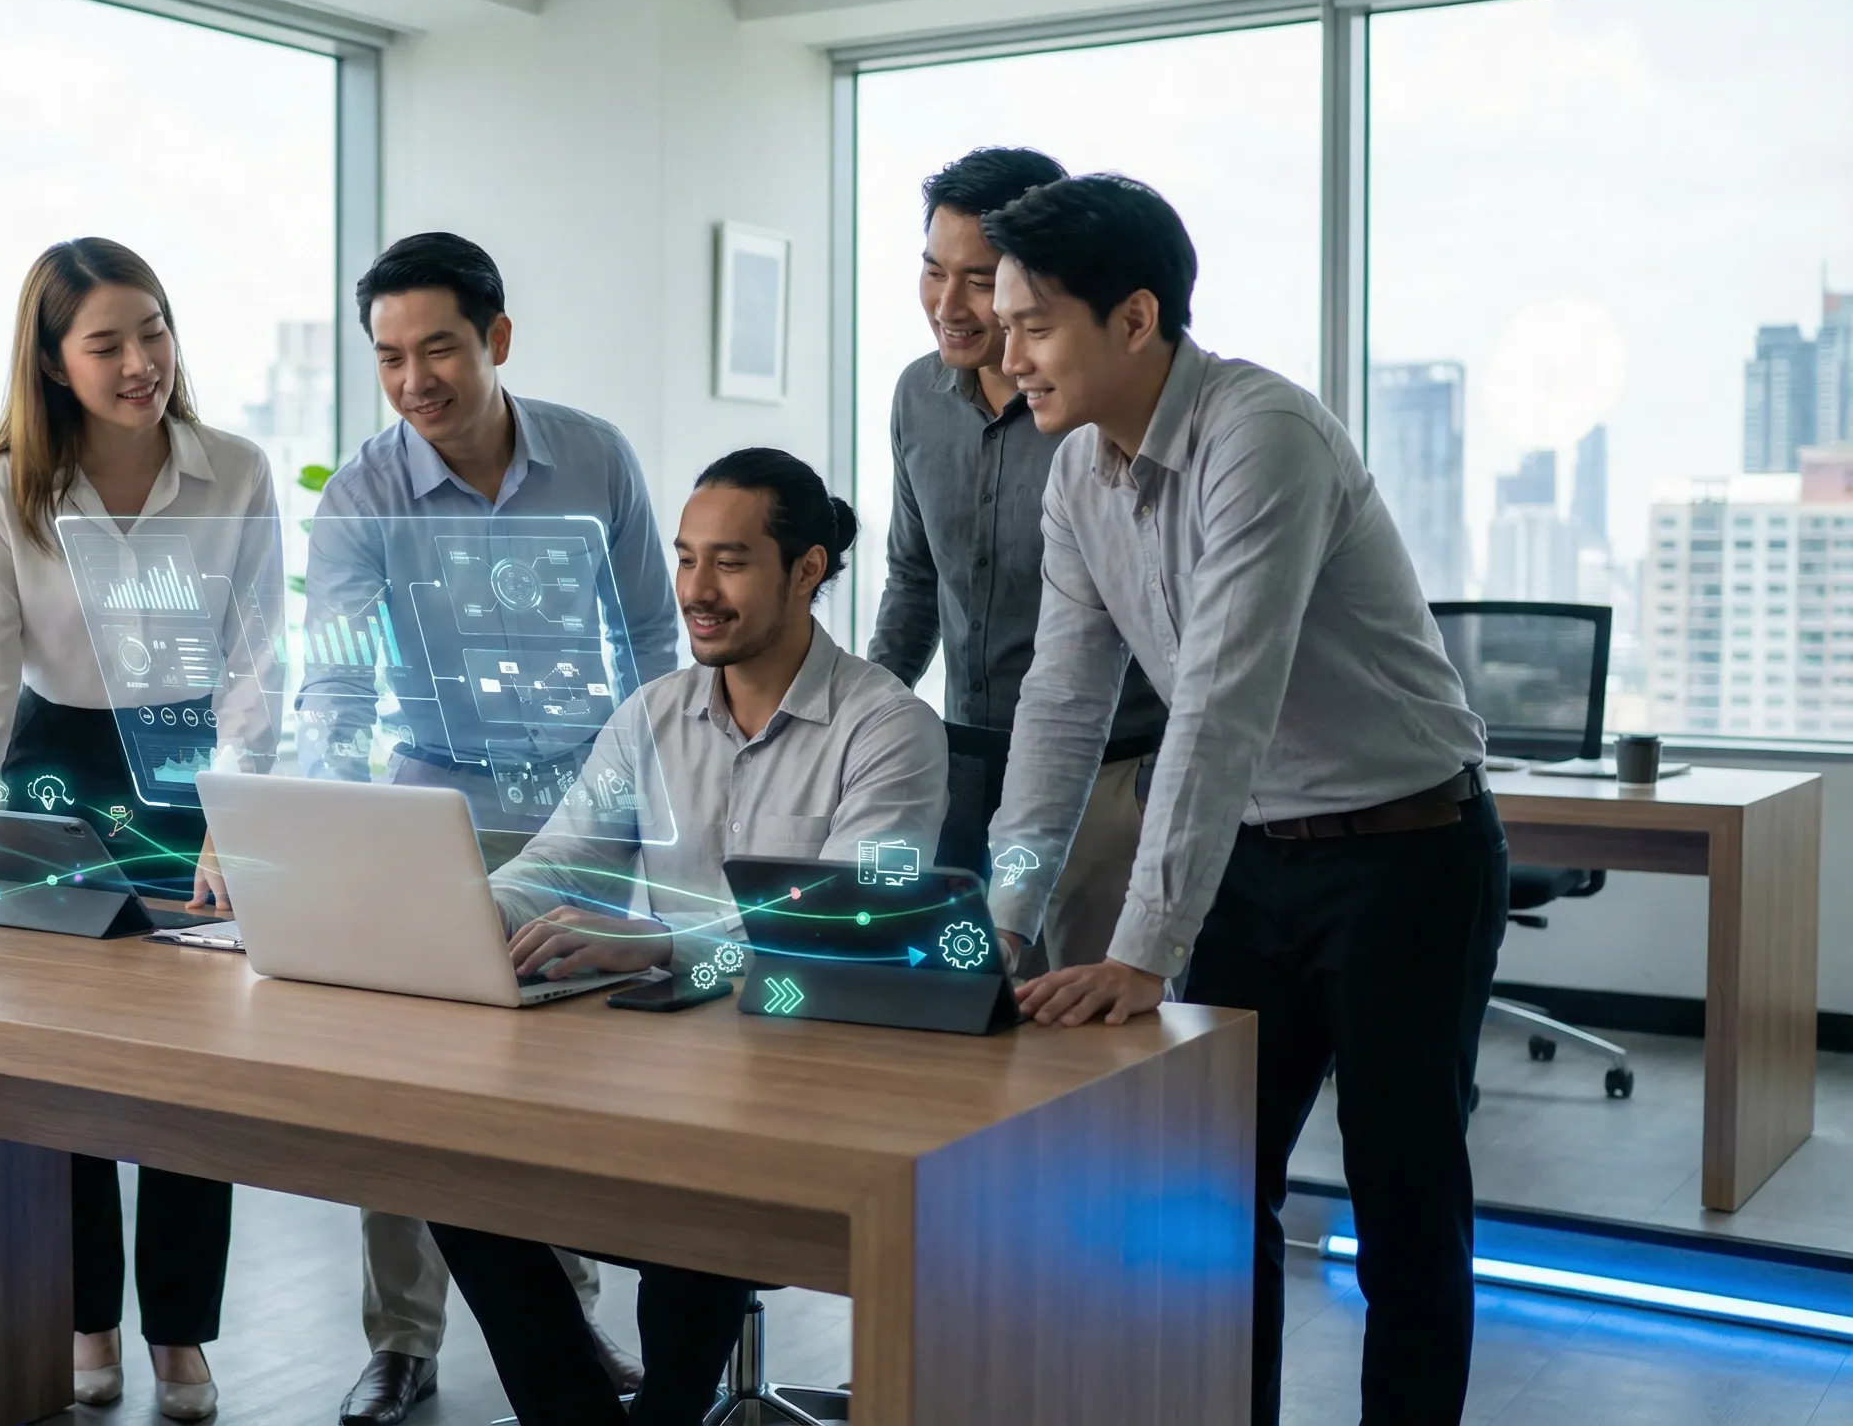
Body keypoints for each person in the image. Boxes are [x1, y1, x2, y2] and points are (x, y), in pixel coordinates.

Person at [975, 175, 1506, 1425]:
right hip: (1252, 865)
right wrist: (1005, 912)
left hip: (1404, 856)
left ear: (1135, 319)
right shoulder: (1076, 480)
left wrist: (1144, 949)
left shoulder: (1260, 433)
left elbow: (1220, 702)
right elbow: (1060, 705)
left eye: (1033, 325)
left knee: (1402, 1207)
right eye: (1001, 327)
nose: (1007, 360)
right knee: (1209, 1202)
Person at [0, 236, 284, 1422]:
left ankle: (180, 1334)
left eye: (155, 330)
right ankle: (85, 1316)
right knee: (61, 1075)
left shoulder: (236, 470)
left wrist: (234, 811)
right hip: (56, 773)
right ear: (51, 362)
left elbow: (256, 661)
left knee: (199, 1079)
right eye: (106, 344)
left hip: (194, 774)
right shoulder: (5, 491)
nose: (142, 361)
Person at [430, 447, 947, 1426]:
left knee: (700, 1186)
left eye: (730, 562)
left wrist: (660, 945)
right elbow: (551, 869)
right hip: (662, 1067)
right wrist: (430, 909)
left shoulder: (886, 728)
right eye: (684, 559)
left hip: (809, 1075)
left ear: (808, 570)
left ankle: (668, 1411)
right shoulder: (652, 714)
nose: (695, 593)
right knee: (447, 1166)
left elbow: (839, 934)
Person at [302, 232, 679, 1426]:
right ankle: (402, 1343)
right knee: (398, 1089)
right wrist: (329, 817)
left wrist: (651, 810)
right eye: (391, 357)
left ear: (496, 341)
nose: (417, 381)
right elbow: (337, 682)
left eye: (440, 350)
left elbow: (656, 648)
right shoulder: (365, 491)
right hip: (434, 805)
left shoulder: (594, 457)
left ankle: (559, 1324)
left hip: (585, 803)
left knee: (560, 1086)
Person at [870, 146, 1167, 974]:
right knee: (968, 1017)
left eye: (979, 277)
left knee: (1092, 1040)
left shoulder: (1095, 405)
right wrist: (860, 722)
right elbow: (914, 579)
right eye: (934, 272)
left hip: (1110, 774)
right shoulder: (917, 396)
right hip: (963, 767)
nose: (950, 305)